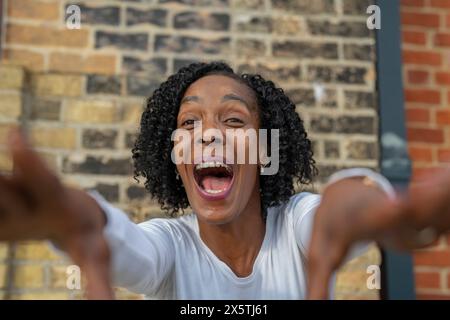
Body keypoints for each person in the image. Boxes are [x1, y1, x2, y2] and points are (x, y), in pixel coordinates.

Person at [0, 62, 449, 300]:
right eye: (189, 122)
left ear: (266, 151)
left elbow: (334, 214)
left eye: (233, 120)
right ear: (174, 157)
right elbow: (115, 240)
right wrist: (77, 220)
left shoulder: (295, 228)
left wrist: (372, 207)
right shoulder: (168, 248)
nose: (209, 133)